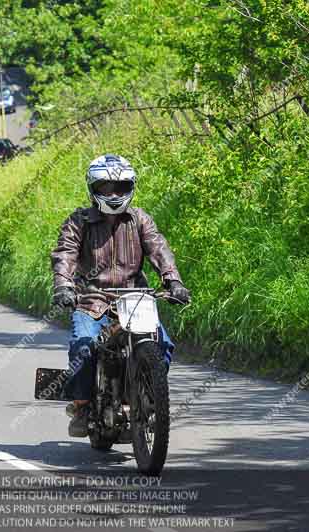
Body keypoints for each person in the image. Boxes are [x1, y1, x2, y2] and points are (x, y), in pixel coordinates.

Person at [51, 154, 190, 438]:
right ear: (93, 188)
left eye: (120, 187)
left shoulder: (140, 219)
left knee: (162, 343)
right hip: (92, 300)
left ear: (131, 187)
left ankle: (144, 398)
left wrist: (173, 281)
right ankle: (81, 405)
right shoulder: (79, 221)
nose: (113, 194)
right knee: (84, 344)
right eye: (106, 188)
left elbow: (159, 249)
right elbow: (65, 253)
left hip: (136, 299)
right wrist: (63, 286)